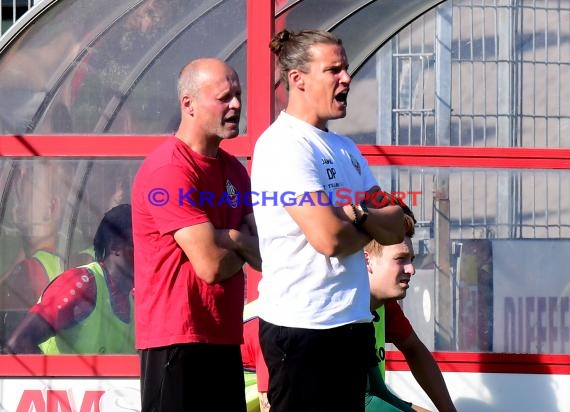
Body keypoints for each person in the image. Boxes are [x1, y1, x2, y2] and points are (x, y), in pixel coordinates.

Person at [250, 29, 405, 412]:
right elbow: (328, 239)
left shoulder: (346, 148)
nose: (347, 78)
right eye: (333, 70)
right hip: (303, 331)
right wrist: (366, 216)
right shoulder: (284, 144)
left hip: (349, 326)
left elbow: (398, 226)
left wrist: (354, 213)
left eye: (346, 68)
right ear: (297, 80)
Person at [131, 57, 261, 412]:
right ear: (187, 104)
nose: (236, 104)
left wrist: (227, 237)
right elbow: (211, 266)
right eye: (224, 97)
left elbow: (263, 251)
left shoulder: (235, 170)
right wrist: (237, 241)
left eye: (238, 94)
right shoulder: (169, 169)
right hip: (176, 342)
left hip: (223, 338)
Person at [4, 204, 134, 354]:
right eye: (144, 244)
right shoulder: (83, 285)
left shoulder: (134, 301)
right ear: (116, 246)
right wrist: (57, 377)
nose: (152, 253)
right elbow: (18, 344)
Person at [364, 213, 456, 412]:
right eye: (400, 259)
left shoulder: (383, 304)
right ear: (367, 261)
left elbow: (414, 350)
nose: (412, 269)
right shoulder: (339, 314)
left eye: (411, 259)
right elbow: (366, 401)